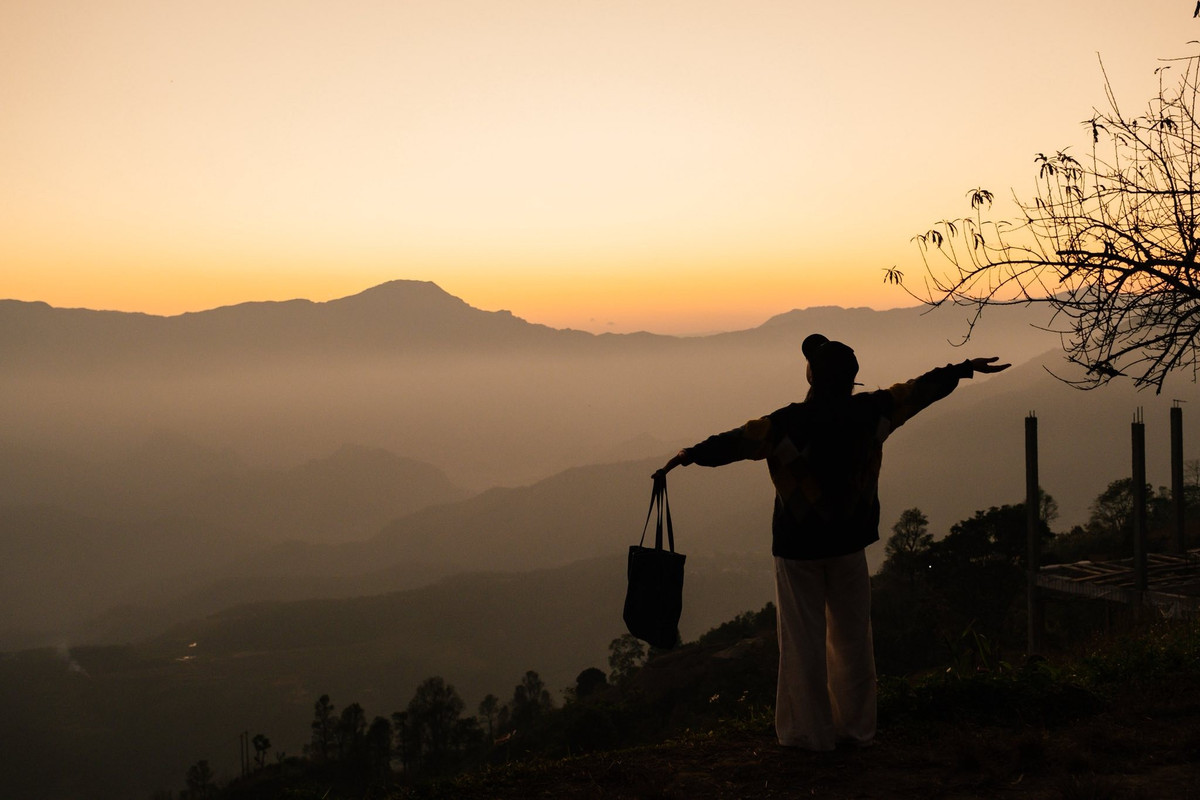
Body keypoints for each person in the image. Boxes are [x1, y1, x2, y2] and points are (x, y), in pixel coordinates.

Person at [653, 333, 1009, 751]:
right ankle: (857, 730)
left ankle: (810, 734)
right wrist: (963, 369)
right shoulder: (873, 411)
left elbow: (734, 442)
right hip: (849, 542)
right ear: (851, 378)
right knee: (853, 638)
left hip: (797, 548)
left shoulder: (784, 424)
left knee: (802, 642)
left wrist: (688, 455)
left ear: (811, 375)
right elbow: (919, 390)